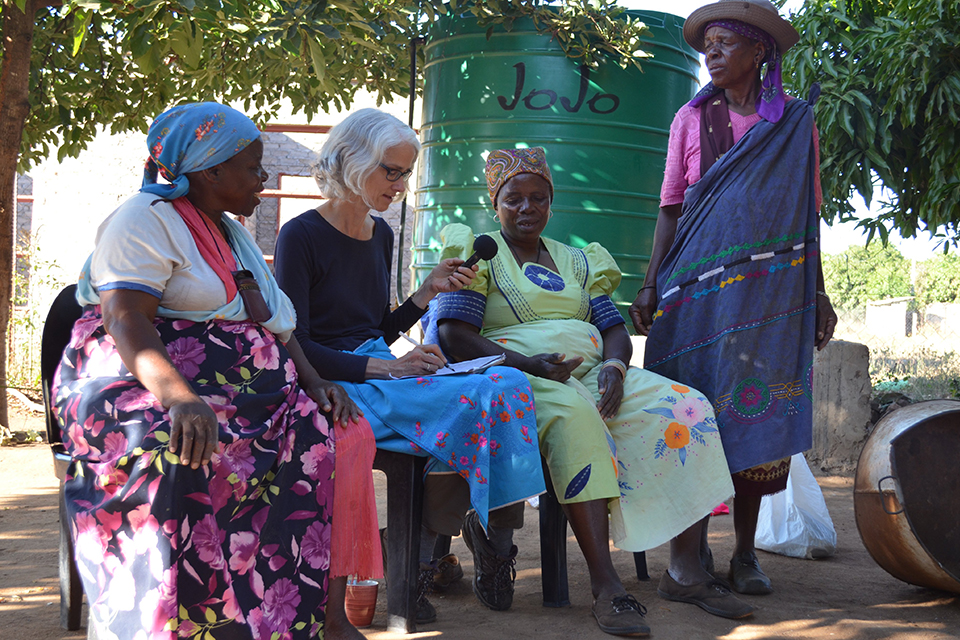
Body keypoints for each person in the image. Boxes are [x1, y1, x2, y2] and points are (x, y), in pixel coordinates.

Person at [53, 102, 368, 640]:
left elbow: (274, 325)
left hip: (241, 397)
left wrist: (314, 382)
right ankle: (170, 623)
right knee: (175, 450)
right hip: (138, 381)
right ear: (210, 168)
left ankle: (289, 620)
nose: (262, 178)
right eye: (252, 166)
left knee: (327, 435)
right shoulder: (143, 219)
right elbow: (125, 317)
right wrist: (179, 398)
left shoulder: (226, 231)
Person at [434, 146, 754, 637]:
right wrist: (529, 363)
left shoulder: (579, 261)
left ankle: (687, 571)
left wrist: (615, 368)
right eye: (513, 199)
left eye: (538, 198)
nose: (526, 209)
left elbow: (614, 328)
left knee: (687, 407)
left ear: (550, 203)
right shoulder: (482, 255)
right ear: (494, 203)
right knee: (577, 421)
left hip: (588, 372)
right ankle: (608, 587)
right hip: (515, 377)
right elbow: (454, 334)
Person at [273, 109, 545, 626]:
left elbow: (377, 324)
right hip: (337, 386)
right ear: (353, 162)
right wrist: (387, 368)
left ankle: (483, 540)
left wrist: (425, 293)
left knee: (507, 382)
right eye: (390, 171)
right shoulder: (300, 235)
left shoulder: (381, 236)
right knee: (476, 400)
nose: (399, 185)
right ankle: (426, 554)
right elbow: (297, 344)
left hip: (384, 375)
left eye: (405, 173)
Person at [628, 0, 838, 597]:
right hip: (693, 295)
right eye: (707, 44)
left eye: (725, 43)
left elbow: (808, 214)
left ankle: (744, 555)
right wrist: (650, 282)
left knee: (755, 413)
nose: (711, 54)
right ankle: (686, 557)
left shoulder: (795, 123)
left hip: (769, 299)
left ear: (758, 52)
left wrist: (818, 292)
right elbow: (671, 206)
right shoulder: (690, 121)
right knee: (685, 414)